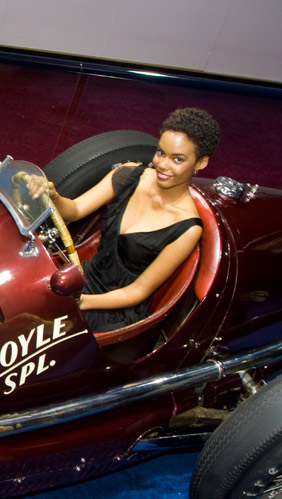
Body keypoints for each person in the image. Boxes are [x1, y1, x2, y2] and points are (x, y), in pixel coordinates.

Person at [30, 108, 220, 333]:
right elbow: (75, 210)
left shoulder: (187, 228)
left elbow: (137, 292)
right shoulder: (127, 174)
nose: (163, 165)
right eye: (161, 153)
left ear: (201, 162)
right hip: (84, 277)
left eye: (177, 159)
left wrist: (82, 303)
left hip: (115, 309)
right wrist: (53, 196)